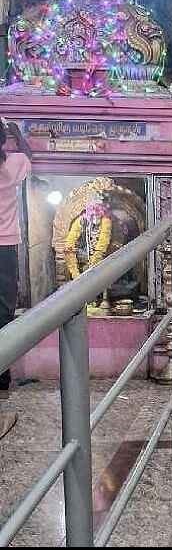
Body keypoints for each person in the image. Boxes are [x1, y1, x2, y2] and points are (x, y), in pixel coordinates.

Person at [0, 119, 32, 440]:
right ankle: (2, 372)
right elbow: (28, 153)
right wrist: (15, 131)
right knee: (5, 311)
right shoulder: (12, 165)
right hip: (6, 246)